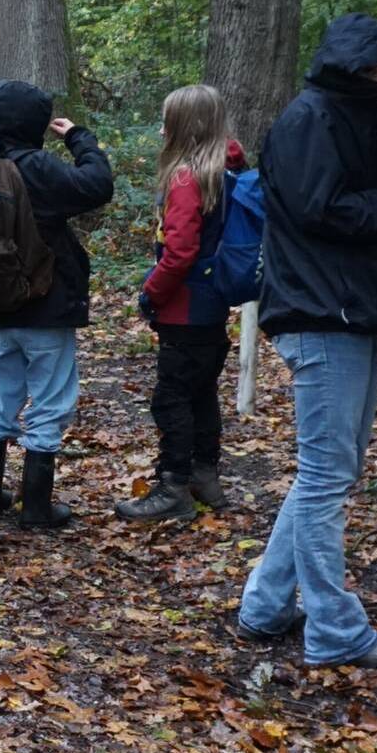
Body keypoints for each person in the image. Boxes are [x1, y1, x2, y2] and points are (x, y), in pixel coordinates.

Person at [237, 13, 377, 669]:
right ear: (349, 69)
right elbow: (327, 209)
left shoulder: (351, 118)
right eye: (372, 74)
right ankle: (334, 630)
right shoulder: (310, 120)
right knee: (325, 478)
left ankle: (266, 604)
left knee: (329, 472)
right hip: (324, 313)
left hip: (346, 311)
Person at [0, 80, 114, 528]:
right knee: (50, 402)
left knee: (2, 398)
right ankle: (36, 507)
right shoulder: (37, 166)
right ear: (33, 122)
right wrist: (78, 137)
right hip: (47, 304)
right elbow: (97, 185)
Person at [117, 85, 247, 523]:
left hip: (185, 307)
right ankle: (204, 475)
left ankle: (173, 486)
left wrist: (150, 294)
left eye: (166, 121)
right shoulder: (227, 171)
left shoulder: (188, 178)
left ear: (182, 128)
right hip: (213, 305)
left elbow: (179, 253)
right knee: (202, 391)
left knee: (170, 399)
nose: (160, 129)